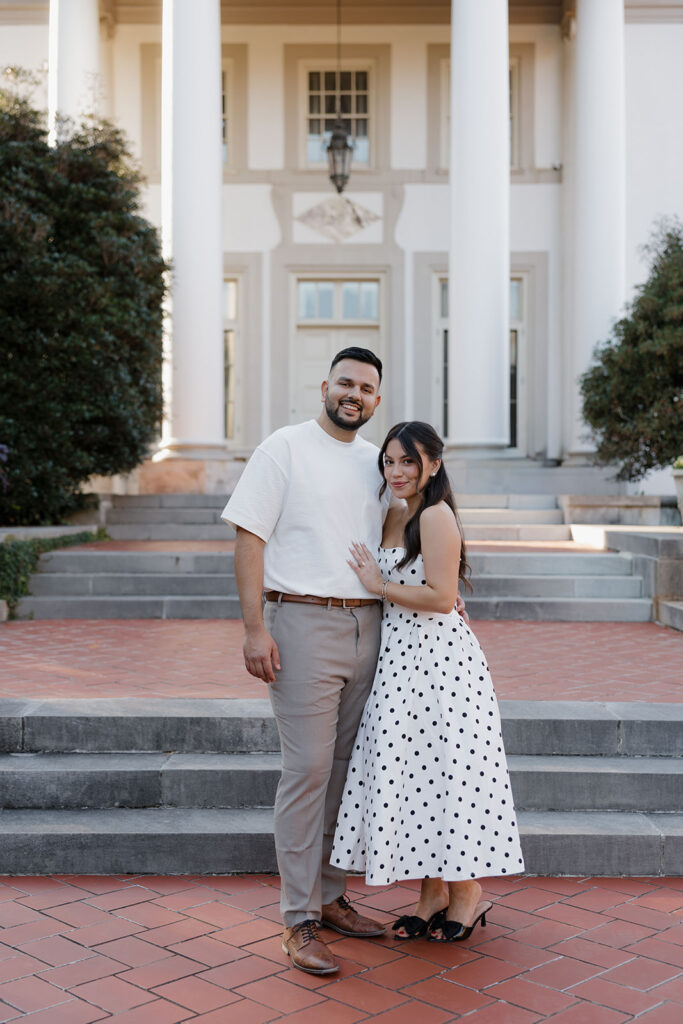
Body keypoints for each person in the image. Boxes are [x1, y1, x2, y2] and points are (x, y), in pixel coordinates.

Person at [222, 348, 446, 975]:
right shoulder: (283, 448)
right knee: (309, 768)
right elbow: (249, 536)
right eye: (345, 382)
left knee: (347, 771)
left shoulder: (379, 464)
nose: (355, 394)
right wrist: (252, 629)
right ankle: (298, 921)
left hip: (371, 627)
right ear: (325, 386)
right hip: (300, 622)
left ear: (378, 399)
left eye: (367, 388)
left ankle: (331, 896)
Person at [331, 421, 524, 942]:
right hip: (398, 664)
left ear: (433, 465)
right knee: (416, 778)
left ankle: (466, 891)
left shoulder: (436, 517)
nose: (396, 471)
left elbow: (440, 598)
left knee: (447, 775)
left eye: (408, 462)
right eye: (390, 461)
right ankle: (431, 890)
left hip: (440, 668)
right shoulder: (396, 513)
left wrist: (381, 585)